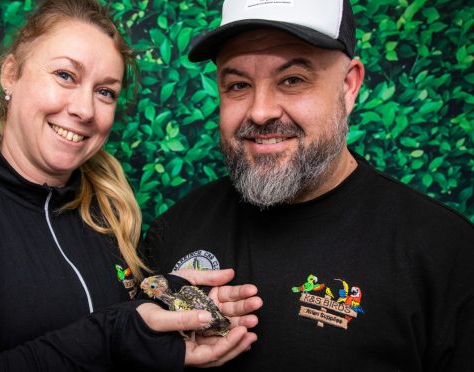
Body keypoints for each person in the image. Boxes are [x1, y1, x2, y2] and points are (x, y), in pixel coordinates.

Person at [0, 0, 261, 370]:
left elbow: (118, 328)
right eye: (65, 75)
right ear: (10, 75)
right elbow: (109, 334)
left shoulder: (107, 213)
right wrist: (115, 334)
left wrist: (163, 301)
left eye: (105, 92)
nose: (84, 109)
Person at [144, 0, 474, 370]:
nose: (260, 111)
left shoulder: (445, 251)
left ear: (349, 87)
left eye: (292, 80)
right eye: (238, 84)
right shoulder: (173, 232)